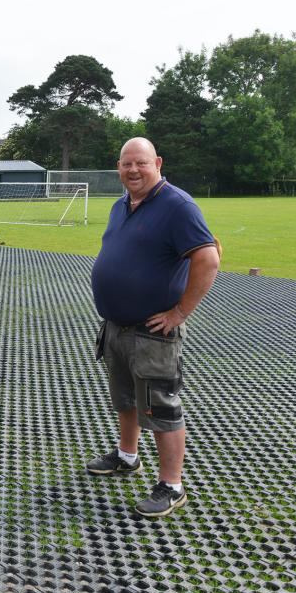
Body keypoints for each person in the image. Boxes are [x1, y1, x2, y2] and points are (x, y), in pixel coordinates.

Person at [87, 137, 220, 517]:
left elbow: (209, 258)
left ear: (157, 162)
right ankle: (127, 457)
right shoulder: (121, 205)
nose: (133, 170)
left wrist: (180, 312)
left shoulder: (177, 205)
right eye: (126, 164)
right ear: (118, 167)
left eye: (141, 163)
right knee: (125, 399)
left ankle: (171, 486)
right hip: (116, 325)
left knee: (160, 407)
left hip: (152, 331)